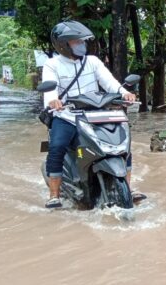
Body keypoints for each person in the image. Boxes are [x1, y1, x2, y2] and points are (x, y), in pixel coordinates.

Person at [42, 20, 143, 209]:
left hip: (96, 113)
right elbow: (49, 87)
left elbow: (109, 82)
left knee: (123, 145)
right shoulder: (52, 65)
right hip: (66, 115)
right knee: (57, 146)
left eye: (82, 41)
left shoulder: (93, 62)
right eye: (76, 41)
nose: (82, 45)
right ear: (63, 44)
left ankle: (128, 187)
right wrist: (53, 100)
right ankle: (53, 195)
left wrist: (124, 93)